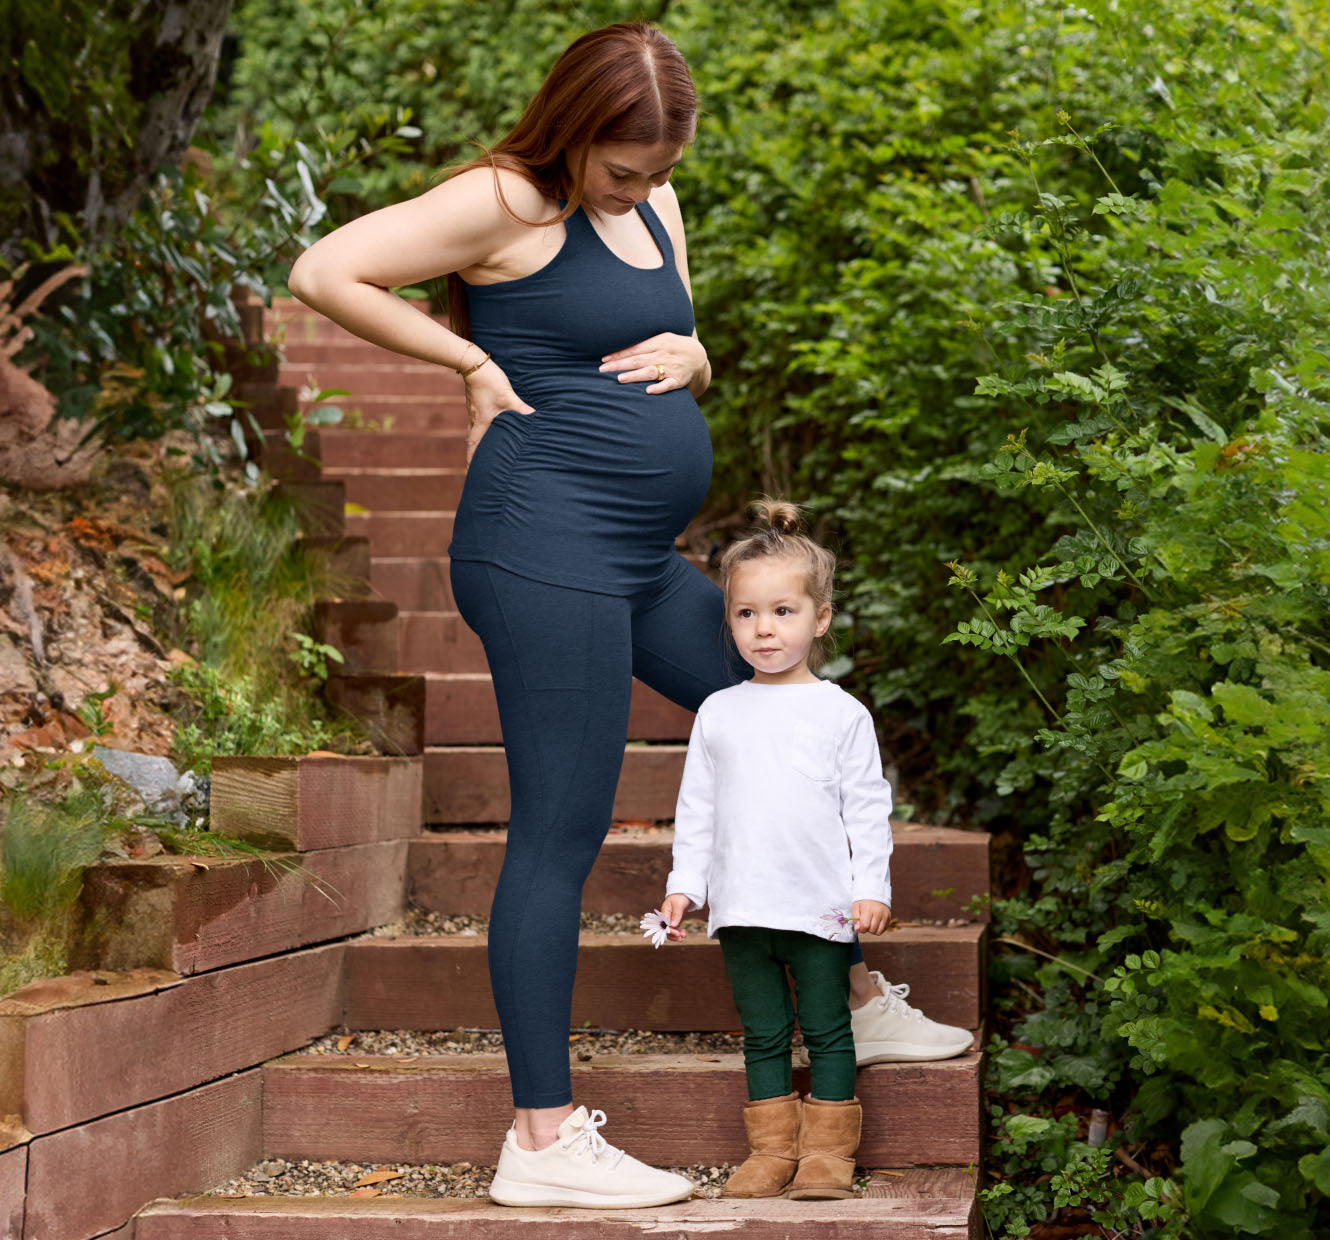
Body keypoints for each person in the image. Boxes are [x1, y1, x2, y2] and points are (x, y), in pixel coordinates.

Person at [287, 21, 967, 1211]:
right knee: (563, 827)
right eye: (622, 169)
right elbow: (324, 269)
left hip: (640, 555)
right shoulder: (502, 198)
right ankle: (542, 1141)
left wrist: (697, 360)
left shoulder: (657, 205)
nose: (642, 189)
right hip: (542, 552)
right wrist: (464, 363)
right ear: (571, 130)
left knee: (787, 720)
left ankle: (850, 995)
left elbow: (674, 332)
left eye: (659, 170)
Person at [656, 500, 884, 1199]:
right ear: (730, 622)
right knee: (762, 1032)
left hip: (817, 906)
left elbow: (868, 809)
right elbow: (697, 808)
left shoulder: (841, 713)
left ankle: (827, 1158)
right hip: (743, 907)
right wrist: (683, 884)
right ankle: (771, 1152)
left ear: (819, 620)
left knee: (825, 1028)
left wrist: (870, 886)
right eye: (746, 614)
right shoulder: (720, 712)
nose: (764, 629)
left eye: (783, 612)